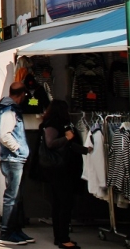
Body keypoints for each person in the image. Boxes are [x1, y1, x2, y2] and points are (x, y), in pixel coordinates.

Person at [40, 100, 89, 249]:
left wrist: (85, 150)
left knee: (59, 204)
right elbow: (51, 143)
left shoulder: (54, 123)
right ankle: (63, 238)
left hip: (58, 170)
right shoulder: (55, 124)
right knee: (64, 204)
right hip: (61, 170)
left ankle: (60, 237)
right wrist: (67, 137)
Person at [0, 81, 34, 246]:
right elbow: (5, 135)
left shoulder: (9, 108)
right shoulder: (9, 110)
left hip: (13, 158)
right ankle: (7, 232)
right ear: (21, 95)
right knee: (12, 196)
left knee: (15, 197)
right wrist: (18, 149)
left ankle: (15, 230)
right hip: (13, 158)